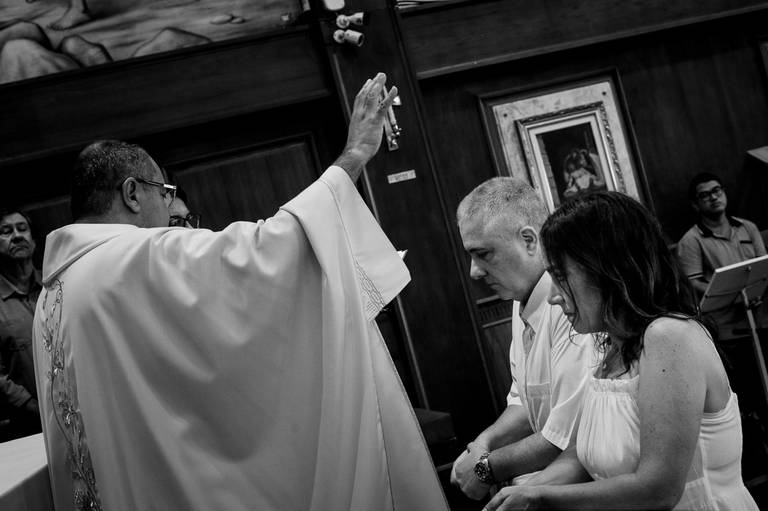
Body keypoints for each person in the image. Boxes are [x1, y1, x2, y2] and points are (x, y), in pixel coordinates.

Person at [32, 73, 448, 511]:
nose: (169, 208)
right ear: (133, 194)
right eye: (165, 193)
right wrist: (356, 153)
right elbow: (270, 250)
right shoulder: (135, 258)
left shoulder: (54, 294)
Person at [485, 191, 758, 510]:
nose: (553, 297)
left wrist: (540, 497)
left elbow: (658, 489)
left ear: (606, 269)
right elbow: (583, 454)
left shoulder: (669, 336)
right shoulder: (610, 344)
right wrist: (519, 493)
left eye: (561, 278)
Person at [450, 177, 595, 500]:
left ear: (529, 240)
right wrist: (483, 443)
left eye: (484, 253)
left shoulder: (572, 306)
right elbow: (525, 401)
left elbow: (566, 435)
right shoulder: (521, 298)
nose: (474, 271)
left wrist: (486, 467)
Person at [677, 172, 767, 333]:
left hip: (760, 312)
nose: (713, 197)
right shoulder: (690, 240)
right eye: (705, 195)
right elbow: (693, 283)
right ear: (695, 205)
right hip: (725, 324)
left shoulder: (748, 227)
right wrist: (736, 294)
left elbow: (764, 265)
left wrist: (756, 291)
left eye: (716, 190)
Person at [0, 209, 41, 441]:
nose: (17, 236)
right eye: (6, 231)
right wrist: (34, 407)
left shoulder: (55, 283)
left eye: (22, 229)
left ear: (33, 241)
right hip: (27, 427)